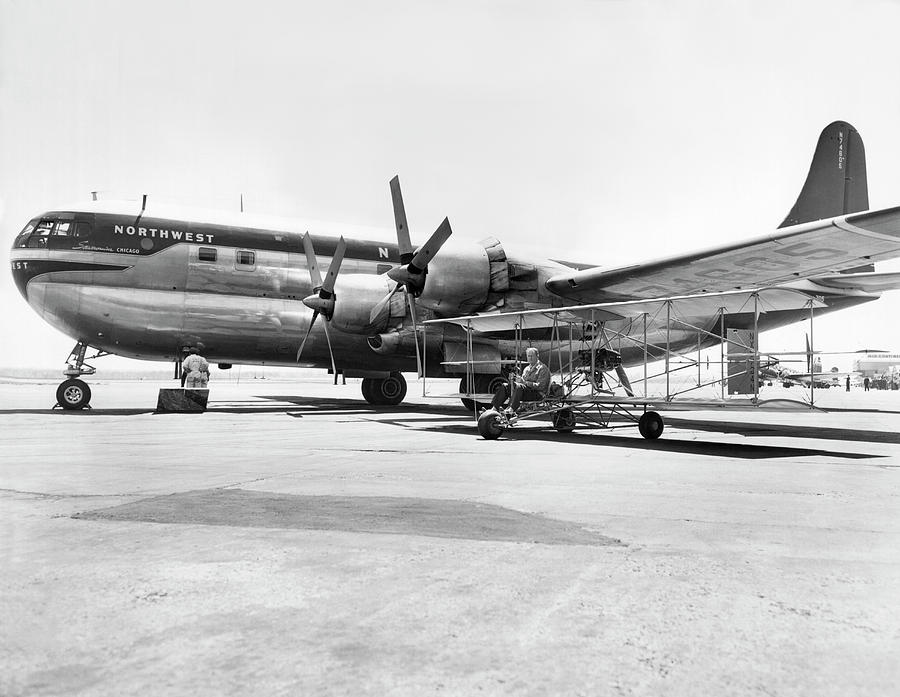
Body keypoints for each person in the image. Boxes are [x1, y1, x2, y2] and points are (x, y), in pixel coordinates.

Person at [491, 347, 550, 413]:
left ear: (537, 356)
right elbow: (522, 384)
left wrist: (524, 382)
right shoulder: (527, 369)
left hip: (537, 394)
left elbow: (541, 386)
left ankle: (511, 409)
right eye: (528, 356)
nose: (530, 358)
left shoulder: (543, 369)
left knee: (519, 386)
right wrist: (514, 380)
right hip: (525, 391)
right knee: (505, 386)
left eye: (532, 356)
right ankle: (494, 408)